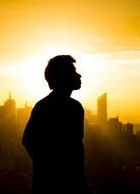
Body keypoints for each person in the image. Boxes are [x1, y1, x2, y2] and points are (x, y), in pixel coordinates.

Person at [22, 55, 94, 194]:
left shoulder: (71, 107)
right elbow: (28, 140)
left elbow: (75, 148)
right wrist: (53, 169)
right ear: (63, 77)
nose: (79, 75)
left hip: (59, 182)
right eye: (73, 72)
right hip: (55, 185)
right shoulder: (58, 107)